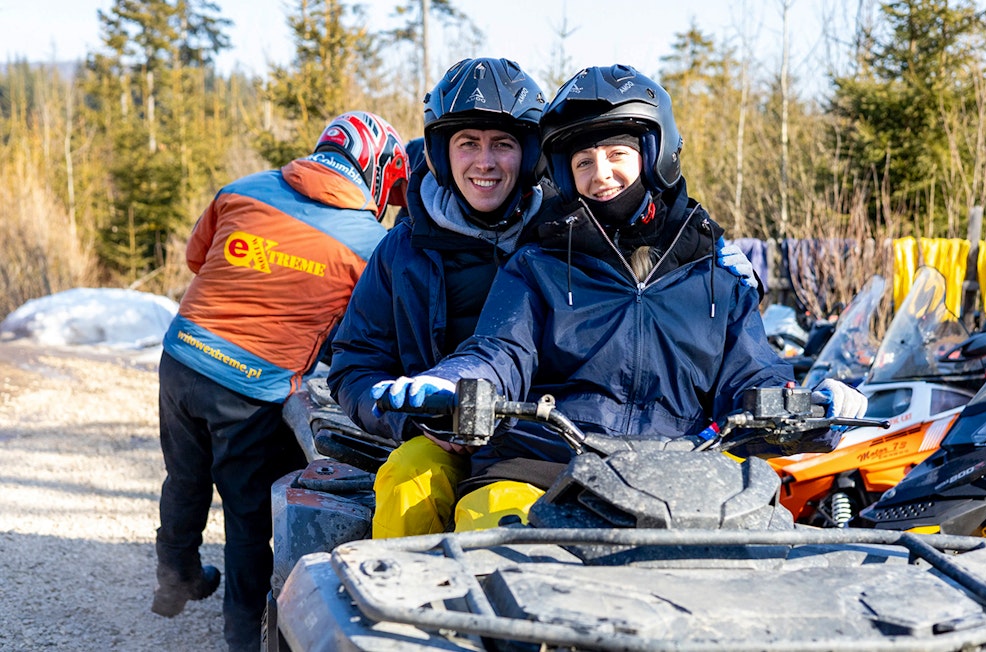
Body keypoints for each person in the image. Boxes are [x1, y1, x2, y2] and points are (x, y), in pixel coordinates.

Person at [373, 64, 867, 531]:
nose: (600, 174)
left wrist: (815, 411)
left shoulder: (716, 274)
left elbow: (752, 378)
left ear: (655, 155)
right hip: (543, 465)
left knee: (762, 552)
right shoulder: (540, 262)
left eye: (616, 154)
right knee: (492, 524)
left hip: (679, 476)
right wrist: (453, 382)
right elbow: (501, 351)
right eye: (583, 162)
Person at [152, 111, 409, 652]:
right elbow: (363, 330)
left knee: (184, 477)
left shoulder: (241, 190)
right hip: (251, 387)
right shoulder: (370, 243)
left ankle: (175, 578)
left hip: (181, 358)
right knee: (247, 519)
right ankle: (243, 640)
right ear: (377, 171)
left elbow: (198, 258)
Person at [326, 57, 547, 538]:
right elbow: (353, 363)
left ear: (530, 156)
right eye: (468, 144)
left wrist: (714, 252)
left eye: (503, 145)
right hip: (437, 438)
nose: (484, 162)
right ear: (441, 153)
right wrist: (410, 420)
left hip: (538, 436)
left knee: (502, 522)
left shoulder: (561, 238)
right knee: (407, 483)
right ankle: (399, 610)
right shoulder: (402, 251)